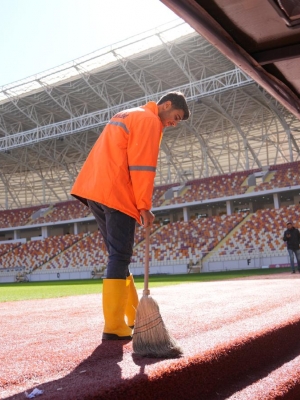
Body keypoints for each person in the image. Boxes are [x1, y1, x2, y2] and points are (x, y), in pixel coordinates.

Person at [71, 92, 190, 340]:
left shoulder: (128, 114)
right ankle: (113, 326)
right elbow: (142, 167)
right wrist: (144, 206)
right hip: (116, 192)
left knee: (119, 256)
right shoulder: (149, 121)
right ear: (166, 105)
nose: (173, 123)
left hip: (95, 190)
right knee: (120, 255)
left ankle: (134, 316)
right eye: (175, 117)